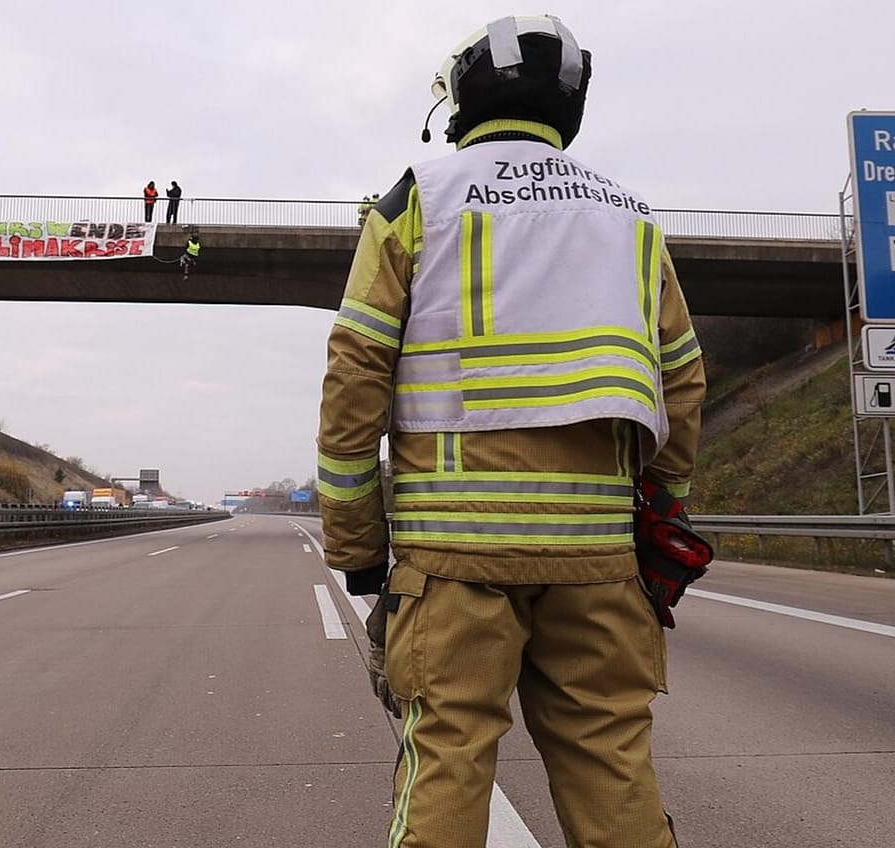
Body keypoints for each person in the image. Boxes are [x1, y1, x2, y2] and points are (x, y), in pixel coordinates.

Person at [315, 14, 706, 848]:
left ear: (463, 99)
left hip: (454, 560)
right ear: (569, 107)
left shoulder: (417, 199)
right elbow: (684, 381)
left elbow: (355, 382)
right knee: (613, 766)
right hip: (598, 559)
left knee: (449, 759)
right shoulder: (630, 218)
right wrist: (659, 510)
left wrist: (358, 550)